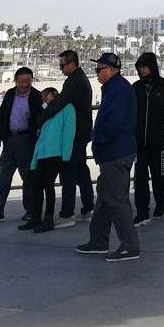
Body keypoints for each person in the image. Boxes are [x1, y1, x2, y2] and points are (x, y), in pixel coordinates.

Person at [76, 53, 140, 261]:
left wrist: (99, 140)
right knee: (105, 196)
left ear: (111, 70)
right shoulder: (115, 88)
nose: (96, 73)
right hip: (112, 153)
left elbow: (115, 122)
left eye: (99, 69)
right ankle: (99, 240)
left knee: (117, 199)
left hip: (116, 153)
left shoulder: (118, 90)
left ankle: (130, 246)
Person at [36, 49, 94, 227]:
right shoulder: (80, 79)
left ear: (72, 63)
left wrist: (42, 117)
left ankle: (67, 213)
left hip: (74, 133)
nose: (61, 69)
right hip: (82, 132)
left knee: (68, 171)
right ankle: (88, 208)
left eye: (62, 65)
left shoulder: (74, 81)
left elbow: (61, 103)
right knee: (81, 170)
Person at [0, 68, 43, 226]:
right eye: (22, 81)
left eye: (28, 81)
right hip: (9, 140)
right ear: (16, 81)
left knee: (28, 178)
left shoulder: (36, 96)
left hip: (27, 141)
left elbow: (41, 118)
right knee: (3, 179)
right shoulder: (9, 94)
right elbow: (2, 117)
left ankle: (30, 211)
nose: (25, 85)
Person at [132, 52, 164, 226]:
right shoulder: (135, 87)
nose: (142, 70)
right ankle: (142, 212)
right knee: (140, 178)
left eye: (144, 67)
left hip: (159, 142)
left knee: (160, 175)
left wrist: (163, 124)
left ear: (152, 67)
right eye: (139, 68)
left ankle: (160, 202)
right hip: (139, 144)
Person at [29, 87, 76, 233]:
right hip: (43, 152)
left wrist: (66, 156)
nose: (43, 98)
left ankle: (48, 218)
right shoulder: (48, 111)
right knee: (37, 185)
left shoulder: (67, 108)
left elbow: (69, 132)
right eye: (41, 96)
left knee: (48, 185)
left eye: (45, 95)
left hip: (55, 153)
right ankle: (36, 217)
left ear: (54, 94)